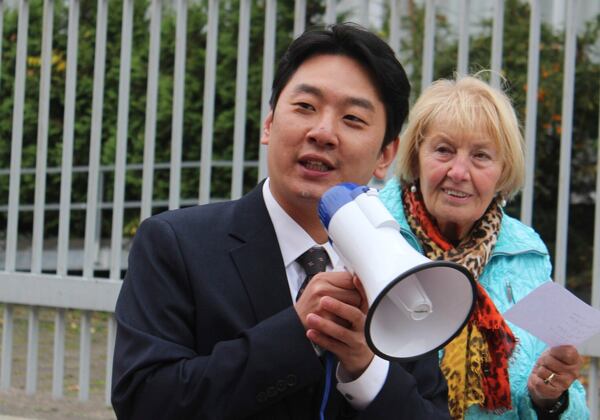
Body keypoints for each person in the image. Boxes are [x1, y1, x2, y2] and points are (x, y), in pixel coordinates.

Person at [111, 23, 451, 419]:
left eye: (353, 119)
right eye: (305, 107)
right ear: (270, 123)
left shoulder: (400, 270)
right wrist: (297, 333)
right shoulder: (175, 245)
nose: (323, 132)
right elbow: (144, 401)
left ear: (385, 155)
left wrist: (366, 369)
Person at [378, 75, 588, 419]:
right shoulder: (374, 233)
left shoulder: (528, 254)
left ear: (503, 172)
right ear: (416, 158)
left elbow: (571, 398)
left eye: (480, 156)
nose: (459, 172)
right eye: (443, 150)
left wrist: (550, 399)